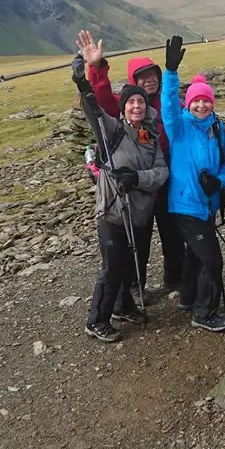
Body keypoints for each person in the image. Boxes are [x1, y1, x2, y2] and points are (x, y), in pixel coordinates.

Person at [77, 30, 185, 299]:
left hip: (168, 181)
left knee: (173, 233)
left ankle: (176, 278)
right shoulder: (127, 105)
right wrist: (96, 67)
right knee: (140, 238)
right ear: (133, 83)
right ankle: (136, 286)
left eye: (153, 75)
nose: (149, 80)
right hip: (136, 188)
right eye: (142, 77)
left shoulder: (171, 103)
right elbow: (100, 99)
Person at [72, 56, 169, 342]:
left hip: (138, 212)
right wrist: (82, 81)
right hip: (113, 211)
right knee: (113, 267)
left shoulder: (151, 136)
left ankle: (123, 306)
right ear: (123, 108)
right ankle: (97, 320)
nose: (137, 106)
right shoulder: (112, 130)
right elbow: (93, 108)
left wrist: (137, 179)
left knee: (130, 263)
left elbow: (162, 172)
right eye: (131, 102)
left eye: (141, 102)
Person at [161, 35, 225, 333]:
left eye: (206, 100)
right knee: (212, 260)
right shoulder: (178, 126)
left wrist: (221, 182)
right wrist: (170, 72)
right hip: (185, 205)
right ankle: (204, 312)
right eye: (196, 100)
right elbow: (167, 103)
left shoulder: (217, 127)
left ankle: (189, 298)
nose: (201, 104)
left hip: (208, 204)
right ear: (189, 103)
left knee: (195, 254)